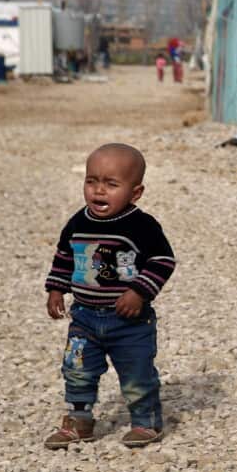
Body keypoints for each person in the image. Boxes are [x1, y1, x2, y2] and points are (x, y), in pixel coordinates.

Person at [43, 144, 176, 449]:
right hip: (84, 317)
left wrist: (138, 292)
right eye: (92, 181)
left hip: (128, 320)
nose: (99, 191)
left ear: (135, 192)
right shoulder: (78, 222)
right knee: (77, 369)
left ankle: (146, 421)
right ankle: (79, 421)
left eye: (111, 184)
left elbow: (162, 261)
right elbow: (65, 256)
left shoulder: (141, 226)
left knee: (136, 371)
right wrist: (56, 288)